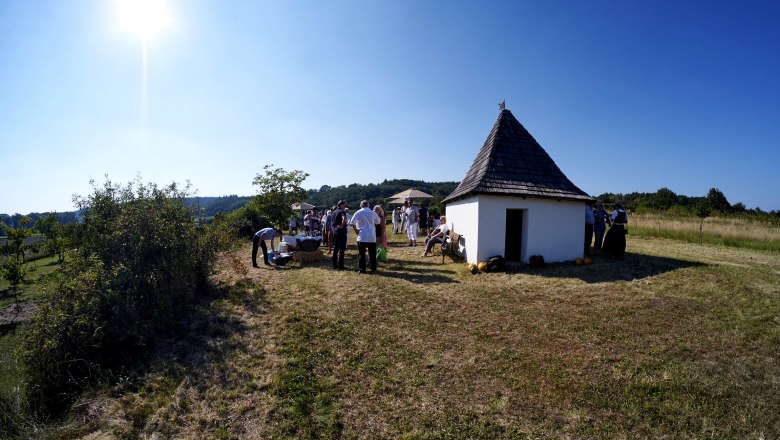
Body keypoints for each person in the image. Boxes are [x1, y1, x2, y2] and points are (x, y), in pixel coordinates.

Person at [350, 200, 381, 273]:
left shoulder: (358, 212)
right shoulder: (373, 213)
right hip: (371, 236)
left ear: (361, 206)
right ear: (368, 205)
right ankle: (373, 268)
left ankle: (362, 269)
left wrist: (356, 230)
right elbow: (378, 222)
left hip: (362, 236)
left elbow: (352, 222)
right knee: (372, 254)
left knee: (362, 253)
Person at [331, 201, 348, 270]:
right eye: (344, 205)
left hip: (335, 232)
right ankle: (341, 266)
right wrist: (342, 224)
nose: (345, 206)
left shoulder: (333, 212)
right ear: (340, 205)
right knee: (342, 249)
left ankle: (334, 265)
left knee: (336, 248)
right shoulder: (342, 212)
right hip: (341, 232)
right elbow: (344, 219)